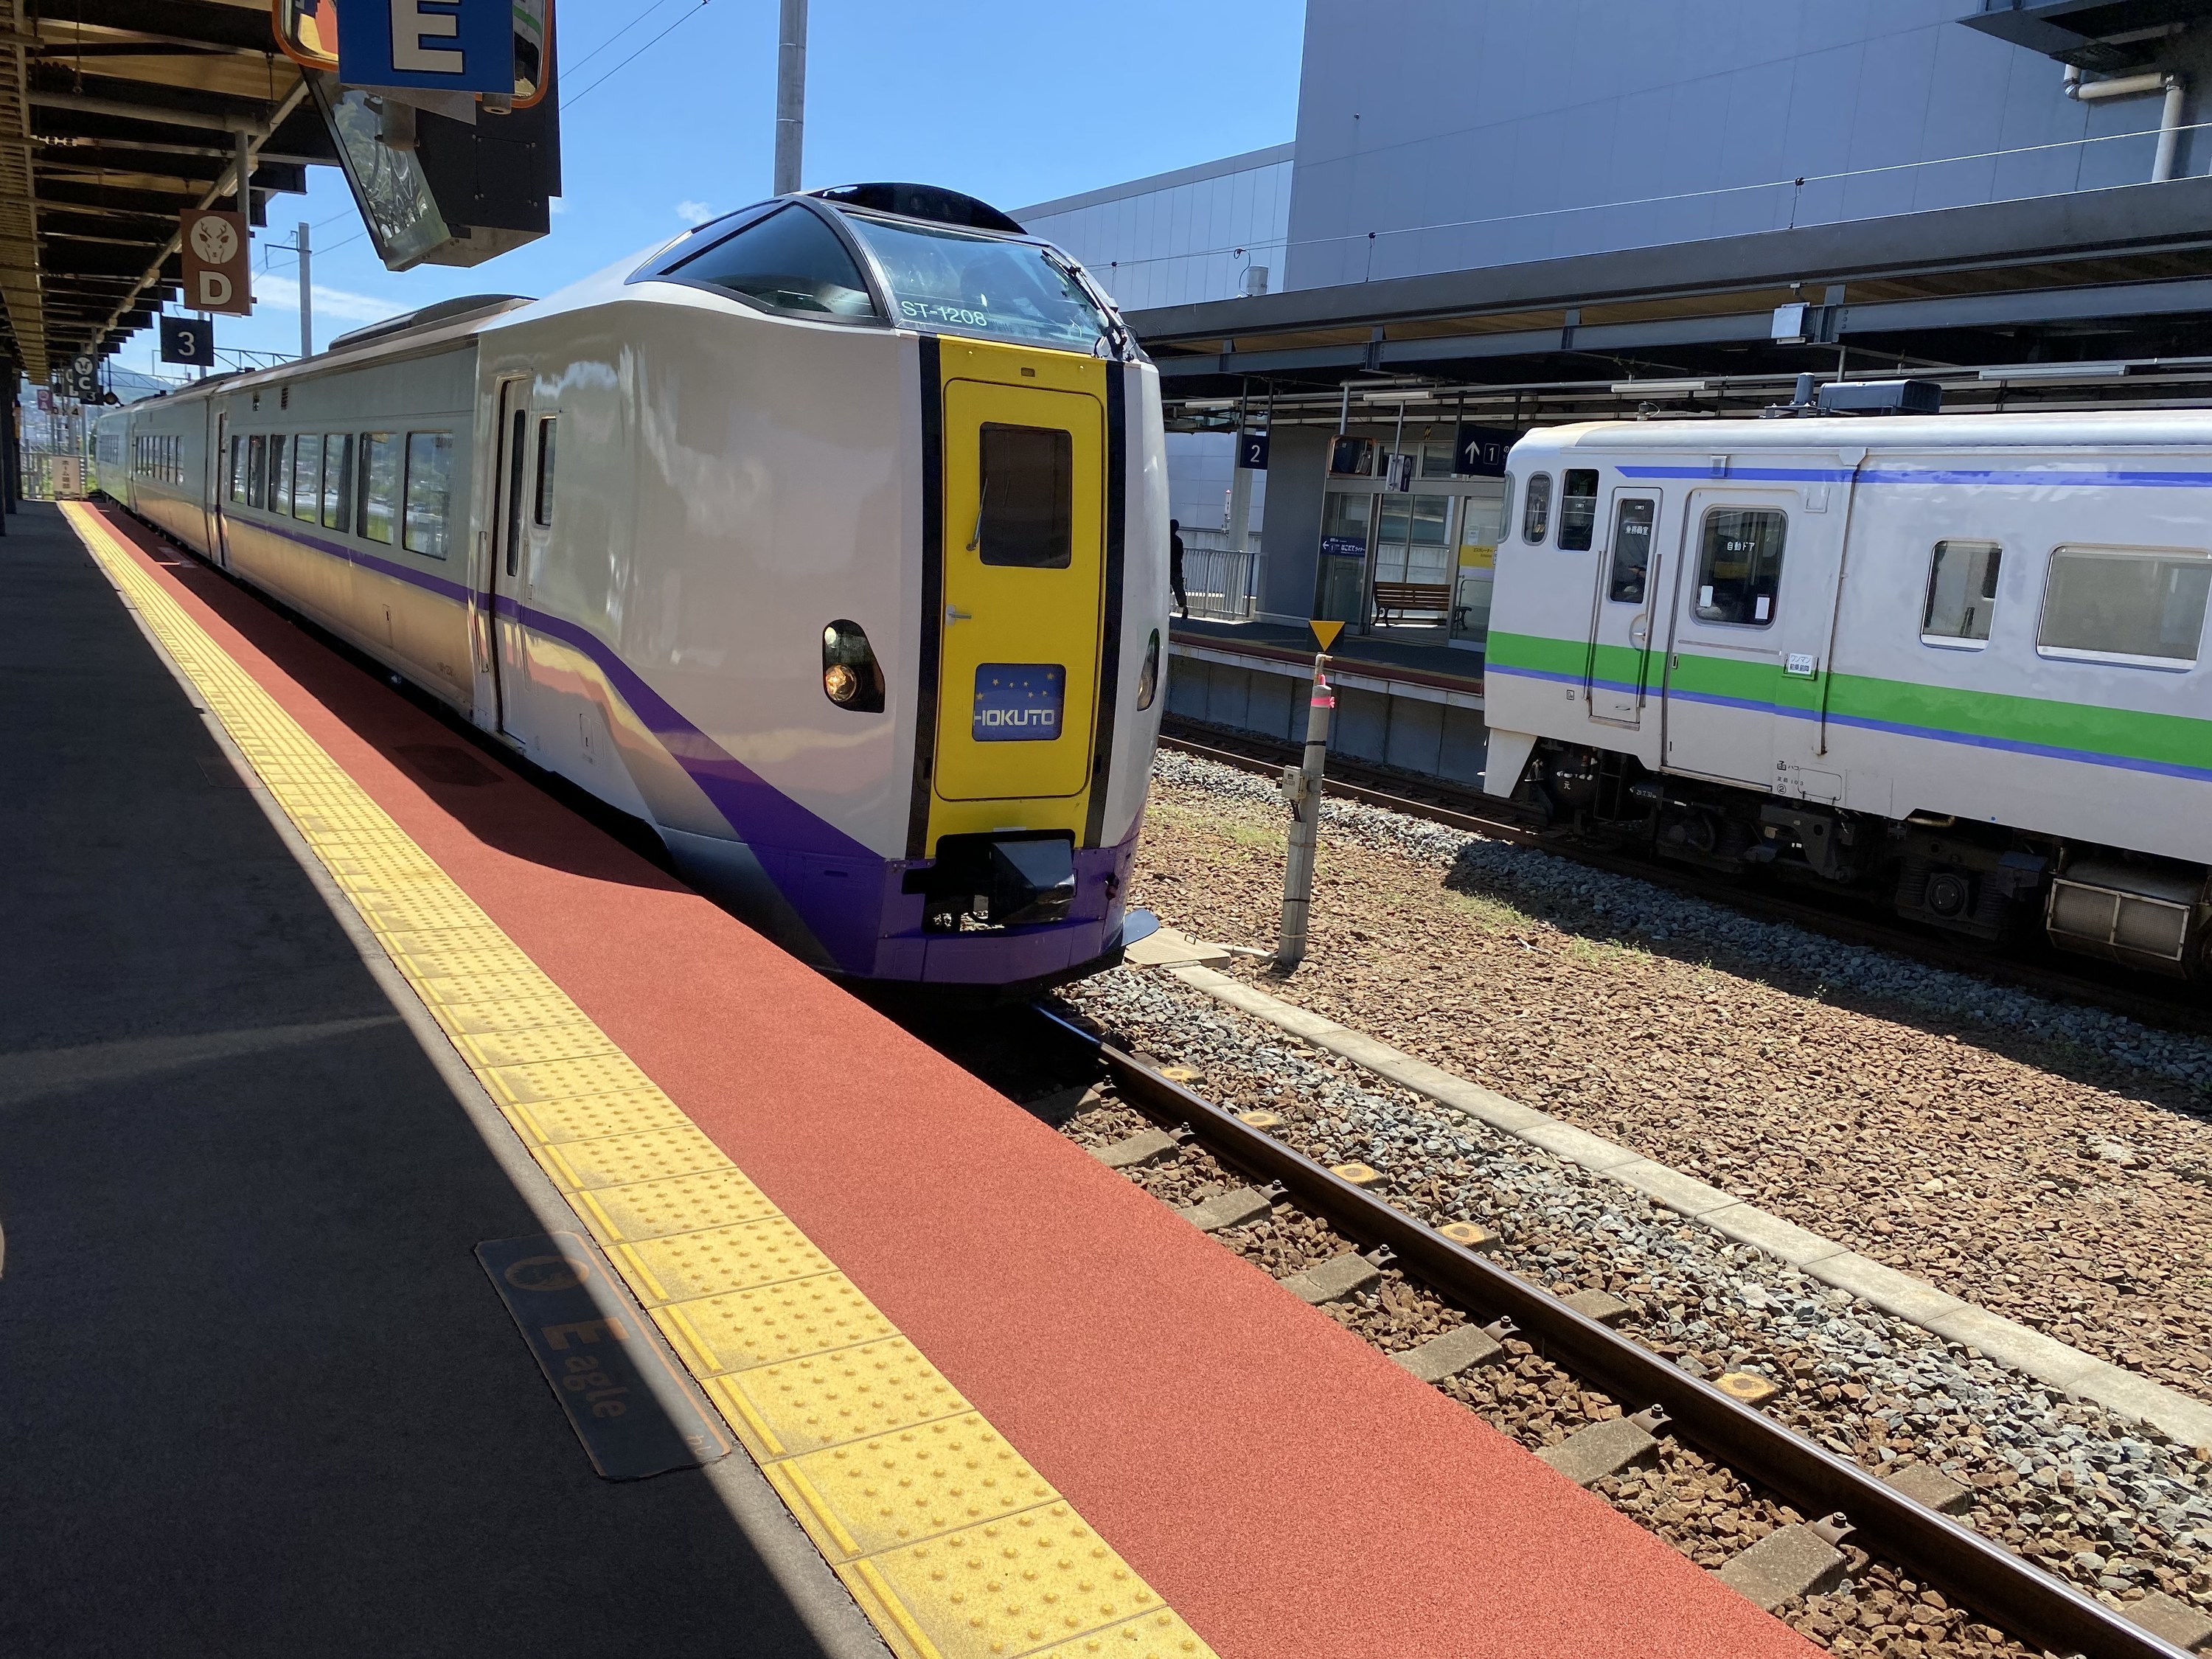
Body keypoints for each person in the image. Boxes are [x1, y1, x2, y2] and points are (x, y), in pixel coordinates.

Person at [1169, 518, 1187, 620]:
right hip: (1176, 569)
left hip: (1166, 568)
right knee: (1179, 588)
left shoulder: (1165, 539)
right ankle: (1184, 607)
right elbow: (1180, 556)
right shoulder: (1179, 541)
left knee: (1162, 588)